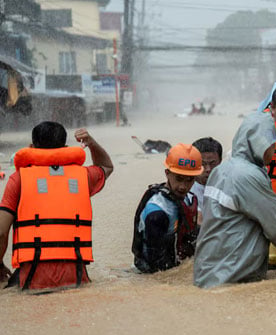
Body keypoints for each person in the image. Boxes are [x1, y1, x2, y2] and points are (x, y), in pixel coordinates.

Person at [0, 122, 113, 291]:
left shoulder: (19, 179)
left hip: (32, 276)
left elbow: (1, 232)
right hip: (76, 274)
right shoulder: (83, 176)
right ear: (65, 147)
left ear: (32, 147)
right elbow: (107, 166)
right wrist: (90, 142)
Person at [194, 113, 276, 288]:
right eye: (272, 145)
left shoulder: (223, 169)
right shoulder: (247, 176)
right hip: (231, 277)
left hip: (207, 272)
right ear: (261, 144)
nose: (275, 150)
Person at [132, 144, 202, 273]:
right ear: (167, 173)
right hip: (151, 276)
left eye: (189, 180)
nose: (183, 186)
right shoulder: (157, 213)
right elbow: (157, 267)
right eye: (179, 179)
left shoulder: (187, 199)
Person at [191, 137, 223, 223]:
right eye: (203, 164)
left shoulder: (228, 186)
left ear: (220, 162)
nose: (208, 169)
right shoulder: (185, 188)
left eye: (212, 163)